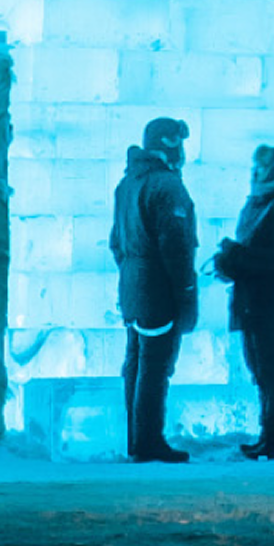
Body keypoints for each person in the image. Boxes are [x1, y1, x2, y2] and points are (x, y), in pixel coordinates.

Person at [108, 116, 198, 463]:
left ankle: (137, 439)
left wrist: (132, 272)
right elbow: (177, 247)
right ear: (169, 145)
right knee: (155, 366)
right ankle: (149, 441)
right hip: (157, 288)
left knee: (136, 361)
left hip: (133, 285)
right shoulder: (166, 186)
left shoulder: (127, 184)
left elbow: (117, 243)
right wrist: (185, 291)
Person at [211, 145, 274, 460]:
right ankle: (269, 436)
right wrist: (229, 262)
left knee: (273, 370)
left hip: (271, 302)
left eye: (262, 165)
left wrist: (234, 254)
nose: (256, 170)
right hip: (253, 301)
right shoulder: (258, 205)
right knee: (261, 371)